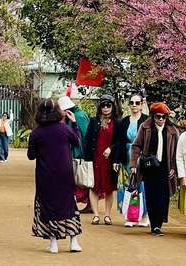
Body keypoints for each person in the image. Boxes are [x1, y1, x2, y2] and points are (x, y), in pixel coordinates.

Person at [27, 98, 83, 254]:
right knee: (69, 204)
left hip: (45, 175)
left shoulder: (36, 133)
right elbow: (78, 141)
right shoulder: (64, 129)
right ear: (58, 111)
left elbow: (31, 156)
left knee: (48, 206)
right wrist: (75, 124)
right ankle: (74, 241)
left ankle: (53, 243)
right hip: (65, 174)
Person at [130, 102, 179, 236]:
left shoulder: (172, 130)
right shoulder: (145, 127)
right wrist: (133, 165)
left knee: (163, 196)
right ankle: (155, 226)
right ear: (153, 116)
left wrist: (174, 167)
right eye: (158, 116)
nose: (161, 119)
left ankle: (160, 221)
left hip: (166, 167)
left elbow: (176, 152)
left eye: (164, 117)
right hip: (149, 167)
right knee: (151, 196)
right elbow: (136, 146)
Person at [83, 94, 120, 225]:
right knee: (93, 186)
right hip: (95, 158)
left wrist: (111, 149)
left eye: (108, 105)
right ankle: (96, 215)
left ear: (112, 107)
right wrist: (85, 157)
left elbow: (119, 141)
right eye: (103, 105)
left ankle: (108, 215)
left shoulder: (117, 122)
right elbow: (87, 140)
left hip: (110, 160)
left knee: (110, 187)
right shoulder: (94, 121)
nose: (105, 108)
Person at [112, 93, 149, 228]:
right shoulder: (124, 121)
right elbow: (119, 141)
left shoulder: (146, 121)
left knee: (142, 187)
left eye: (137, 103)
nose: (134, 105)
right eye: (132, 103)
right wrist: (116, 160)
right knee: (127, 186)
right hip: (125, 157)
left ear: (141, 105)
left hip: (141, 157)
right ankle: (130, 215)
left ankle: (144, 216)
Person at [58, 95, 92, 213]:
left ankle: (89, 204)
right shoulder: (73, 116)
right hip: (74, 151)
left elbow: (84, 135)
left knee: (82, 178)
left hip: (79, 152)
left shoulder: (78, 116)